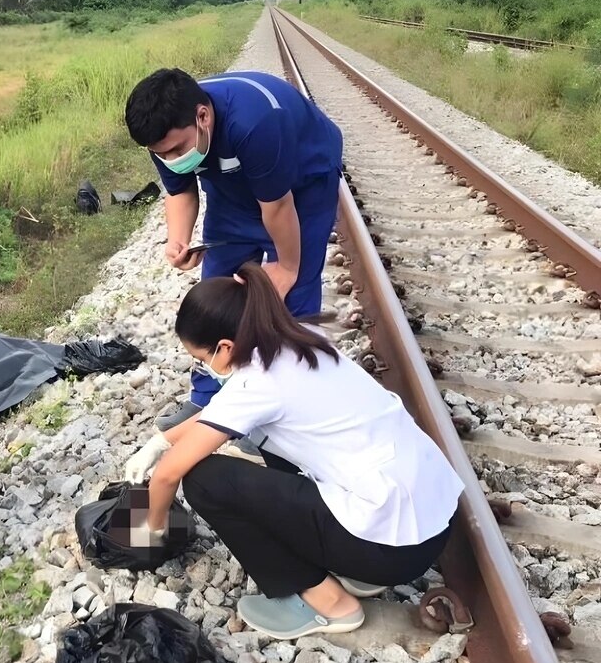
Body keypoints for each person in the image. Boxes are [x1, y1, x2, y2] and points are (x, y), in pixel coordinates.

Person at [123, 262, 462, 639]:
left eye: (202, 359)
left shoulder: (257, 386)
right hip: (432, 521)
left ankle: (329, 604)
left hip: (391, 549)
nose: (206, 367)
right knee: (269, 441)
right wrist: (161, 440)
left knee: (204, 479)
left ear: (224, 347)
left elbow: (170, 473)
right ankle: (355, 571)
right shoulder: (298, 340)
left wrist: (150, 529)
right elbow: (220, 415)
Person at [125, 68, 344, 431]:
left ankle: (292, 406)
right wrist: (178, 240)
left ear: (203, 116)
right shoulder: (164, 134)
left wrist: (286, 267)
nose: (171, 157)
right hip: (233, 192)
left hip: (303, 186)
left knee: (292, 296)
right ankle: (210, 401)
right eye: (161, 153)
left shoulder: (255, 121)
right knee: (216, 296)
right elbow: (180, 190)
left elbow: (277, 205)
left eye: (178, 149)